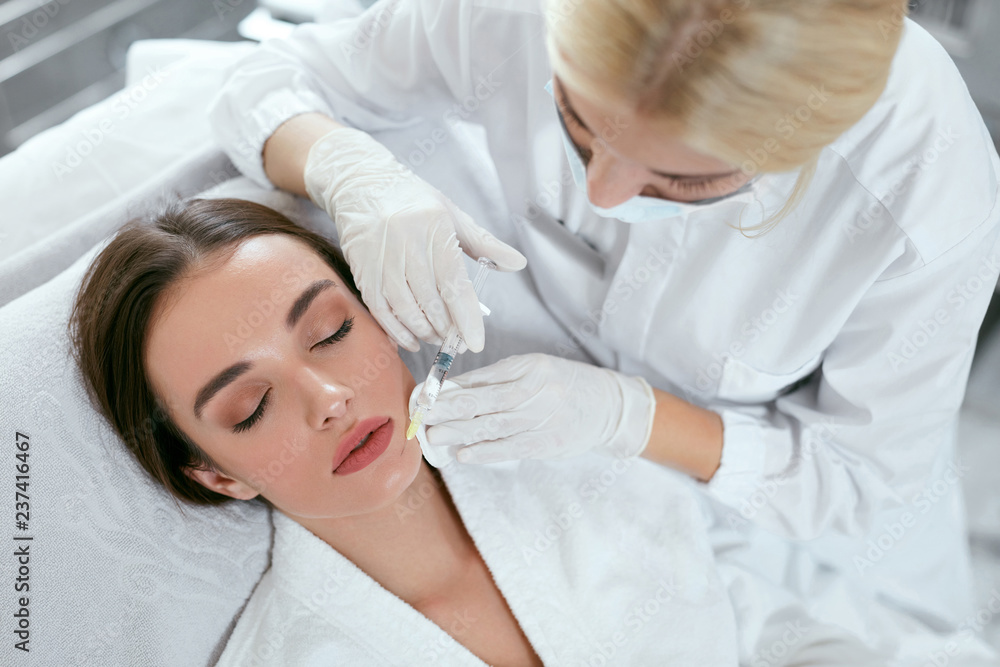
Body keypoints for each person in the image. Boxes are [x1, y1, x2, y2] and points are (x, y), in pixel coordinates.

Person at [206, 0, 1000, 629]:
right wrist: (347, 169)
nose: (603, 194)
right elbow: (267, 82)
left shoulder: (925, 192)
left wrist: (631, 417)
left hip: (784, 514)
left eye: (681, 183)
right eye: (576, 125)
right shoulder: (515, 16)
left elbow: (856, 478)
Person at [66, 198, 999, 666]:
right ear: (217, 474)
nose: (330, 398)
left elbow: (766, 634)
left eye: (331, 331)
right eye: (249, 407)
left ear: (382, 315)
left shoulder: (574, 471)